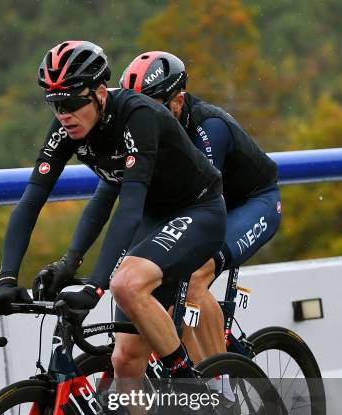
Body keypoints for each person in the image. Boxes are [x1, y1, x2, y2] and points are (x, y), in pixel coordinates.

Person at [0, 41, 227, 415]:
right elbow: (31, 201)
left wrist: (94, 284)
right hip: (154, 222)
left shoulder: (138, 116)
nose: (64, 113)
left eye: (73, 101)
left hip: (198, 213)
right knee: (124, 363)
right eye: (54, 104)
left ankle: (195, 391)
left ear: (100, 92)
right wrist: (9, 278)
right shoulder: (67, 129)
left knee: (125, 281)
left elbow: (129, 204)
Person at [120, 51, 281, 364]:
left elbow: (204, 201)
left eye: (152, 111)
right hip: (201, 207)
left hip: (250, 203)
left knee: (193, 276)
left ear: (178, 102)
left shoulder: (210, 127)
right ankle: (195, 373)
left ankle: (221, 385)